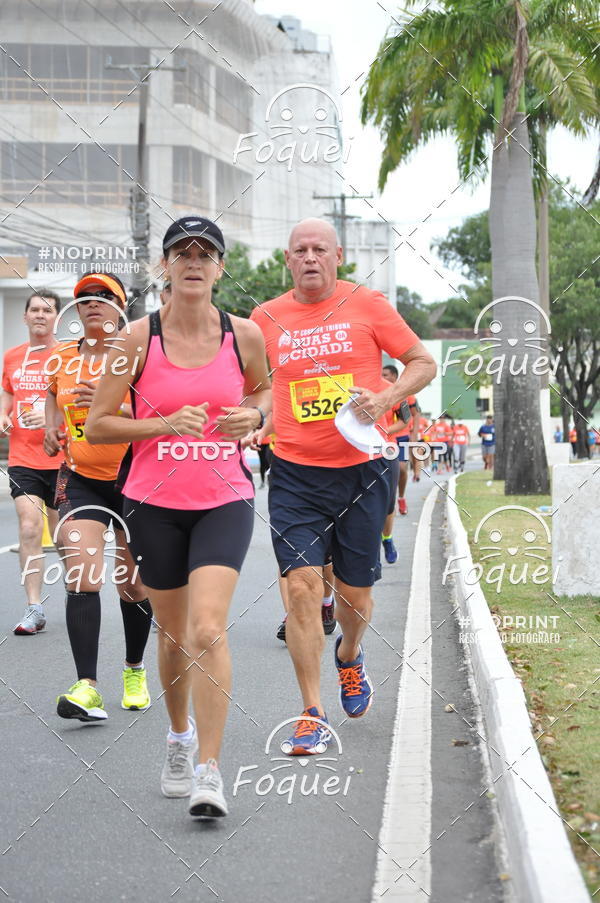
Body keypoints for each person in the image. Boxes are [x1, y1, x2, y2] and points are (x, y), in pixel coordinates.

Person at [86, 216, 271, 819]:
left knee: (208, 630)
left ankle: (210, 771)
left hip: (223, 498)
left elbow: (263, 393)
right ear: (164, 265)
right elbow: (99, 425)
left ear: (220, 267)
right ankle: (178, 737)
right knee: (171, 637)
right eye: (182, 252)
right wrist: (164, 424)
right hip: (152, 503)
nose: (194, 262)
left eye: (206, 253)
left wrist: (255, 418)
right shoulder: (134, 341)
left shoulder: (244, 336)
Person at [250, 218, 436, 756]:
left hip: (363, 469)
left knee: (355, 593)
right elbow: (257, 388)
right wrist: (257, 417)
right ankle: (311, 711)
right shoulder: (265, 318)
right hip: (294, 473)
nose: (310, 258)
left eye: (319, 250)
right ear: (288, 259)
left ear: (338, 256)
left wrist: (384, 399)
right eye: (300, 250)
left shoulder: (369, 305)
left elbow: (422, 361)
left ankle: (349, 657)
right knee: (304, 588)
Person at [43, 273, 153, 722]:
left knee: (133, 584)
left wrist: (113, 409)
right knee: (84, 572)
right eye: (84, 298)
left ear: (120, 307)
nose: (92, 303)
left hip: (133, 476)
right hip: (82, 475)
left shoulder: (138, 356)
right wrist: (52, 425)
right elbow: (53, 396)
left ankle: (134, 669)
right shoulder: (61, 357)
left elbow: (158, 413)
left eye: (104, 297)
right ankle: (87, 686)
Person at [1, 288, 63, 635]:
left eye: (47, 309)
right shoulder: (12, 357)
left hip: (61, 457)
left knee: (64, 535)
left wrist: (53, 418)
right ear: (25, 317)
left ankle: (78, 592)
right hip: (23, 456)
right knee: (28, 527)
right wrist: (3, 414)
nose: (40, 314)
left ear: (56, 317)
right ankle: (34, 607)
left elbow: (79, 402)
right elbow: (8, 391)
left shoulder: (67, 356)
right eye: (34, 309)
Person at [381, 365, 419, 516]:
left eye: (386, 375)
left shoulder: (405, 394)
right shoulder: (378, 390)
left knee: (402, 469)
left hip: (401, 435)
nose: (383, 378)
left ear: (395, 377)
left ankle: (401, 497)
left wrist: (414, 434)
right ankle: (388, 502)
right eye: (381, 375)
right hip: (382, 437)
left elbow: (415, 414)